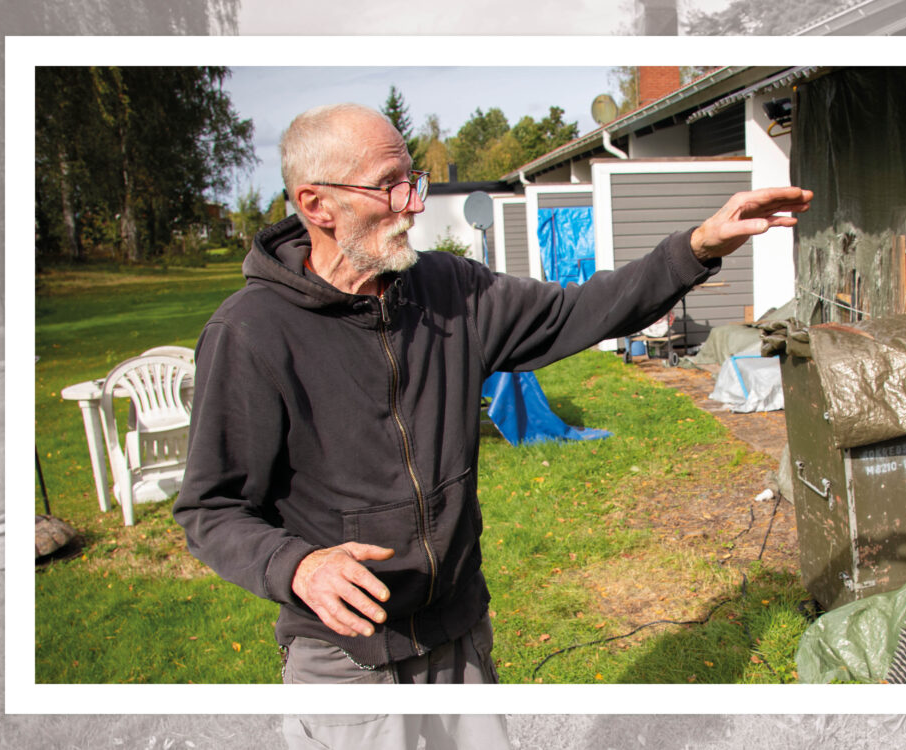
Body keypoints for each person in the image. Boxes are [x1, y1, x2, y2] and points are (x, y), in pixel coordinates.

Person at [173, 102, 810, 747]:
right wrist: (297, 566)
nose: (413, 204)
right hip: (347, 659)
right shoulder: (251, 333)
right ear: (317, 205)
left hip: (458, 635)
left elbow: (578, 312)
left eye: (413, 180)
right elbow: (211, 507)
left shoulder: (446, 289)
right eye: (390, 185)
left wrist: (695, 249)